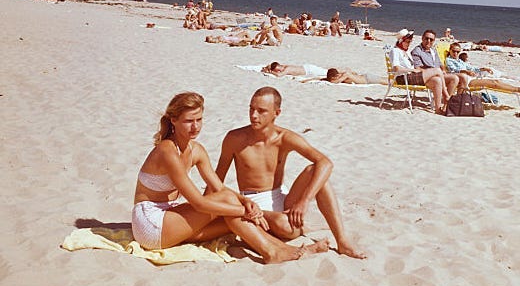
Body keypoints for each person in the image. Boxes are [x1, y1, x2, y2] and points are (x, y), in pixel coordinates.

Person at [132, 92, 327, 262]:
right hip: (150, 224)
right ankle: (274, 251)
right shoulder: (167, 151)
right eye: (189, 121)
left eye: (199, 120)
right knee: (230, 206)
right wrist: (243, 210)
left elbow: (219, 187)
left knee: (230, 214)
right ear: (173, 120)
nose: (195, 127)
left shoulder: (196, 150)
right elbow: (199, 203)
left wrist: (245, 201)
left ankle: (277, 251)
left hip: (172, 216)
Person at [215, 87, 366, 259]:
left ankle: (342, 241)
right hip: (251, 201)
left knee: (314, 170)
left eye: (261, 111)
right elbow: (216, 181)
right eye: (251, 109)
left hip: (280, 196)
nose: (253, 115)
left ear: (276, 113)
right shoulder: (234, 139)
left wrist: (304, 201)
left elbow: (325, 163)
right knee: (284, 225)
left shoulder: (284, 138)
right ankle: (292, 227)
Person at [390, 30, 452, 113]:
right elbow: (396, 68)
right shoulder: (395, 51)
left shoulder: (406, 51)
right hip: (403, 78)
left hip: (412, 76)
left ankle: (438, 109)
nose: (409, 44)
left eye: (410, 42)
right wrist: (412, 70)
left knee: (437, 80)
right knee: (437, 70)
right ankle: (447, 97)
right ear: (401, 41)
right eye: (407, 42)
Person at [445, 43, 520, 93]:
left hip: (471, 77)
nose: (456, 53)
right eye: (454, 51)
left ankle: (519, 84)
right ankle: (517, 89)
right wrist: (466, 71)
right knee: (493, 82)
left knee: (496, 80)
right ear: (450, 50)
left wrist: (483, 69)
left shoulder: (460, 61)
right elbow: (454, 70)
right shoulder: (449, 60)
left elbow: (472, 68)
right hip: (464, 81)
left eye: (458, 51)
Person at [411, 29, 462, 94]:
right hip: (427, 77)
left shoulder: (433, 51)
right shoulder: (417, 51)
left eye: (431, 40)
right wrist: (434, 72)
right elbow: (418, 68)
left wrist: (443, 70)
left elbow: (440, 64)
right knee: (450, 78)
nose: (428, 41)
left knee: (457, 78)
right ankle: (447, 98)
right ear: (422, 38)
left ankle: (451, 101)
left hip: (439, 75)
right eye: (426, 38)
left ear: (434, 41)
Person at [322, 68, 387, 85]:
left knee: (388, 82)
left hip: (368, 79)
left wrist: (329, 80)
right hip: (366, 77)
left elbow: (336, 82)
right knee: (386, 80)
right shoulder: (344, 74)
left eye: (333, 78)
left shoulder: (345, 74)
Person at [260, 62, 328, 78]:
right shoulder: (283, 66)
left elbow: (279, 75)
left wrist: (270, 72)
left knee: (327, 73)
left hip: (310, 70)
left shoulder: (287, 69)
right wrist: (266, 68)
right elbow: (272, 65)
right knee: (326, 71)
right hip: (308, 68)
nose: (278, 71)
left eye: (278, 70)